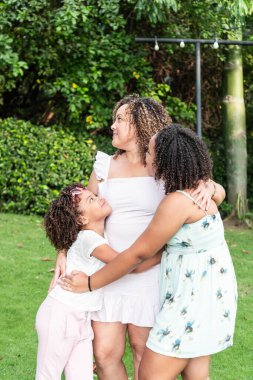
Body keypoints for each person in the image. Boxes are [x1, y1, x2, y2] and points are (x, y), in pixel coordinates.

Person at [51, 95, 226, 380]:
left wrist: (210, 186)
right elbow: (80, 213)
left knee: (143, 350)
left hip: (151, 272)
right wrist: (63, 250)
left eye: (120, 119)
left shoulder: (163, 163)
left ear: (140, 124)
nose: (113, 126)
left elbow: (208, 191)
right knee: (105, 352)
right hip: (109, 272)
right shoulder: (104, 166)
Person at [36, 183, 160, 380]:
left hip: (81, 318)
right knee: (47, 375)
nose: (98, 197)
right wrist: (163, 252)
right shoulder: (89, 240)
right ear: (82, 219)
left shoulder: (98, 237)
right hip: (61, 315)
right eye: (91, 200)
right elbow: (128, 265)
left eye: (94, 194)